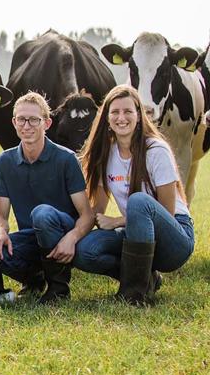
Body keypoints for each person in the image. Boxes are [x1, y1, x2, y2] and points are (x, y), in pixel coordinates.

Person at [77, 85, 194, 304]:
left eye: (128, 111)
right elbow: (97, 211)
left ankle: (134, 293)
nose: (121, 117)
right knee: (85, 251)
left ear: (139, 116)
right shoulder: (105, 155)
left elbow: (166, 211)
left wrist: (117, 221)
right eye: (115, 112)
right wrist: (70, 235)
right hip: (136, 236)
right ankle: (146, 277)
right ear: (107, 119)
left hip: (175, 237)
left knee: (139, 201)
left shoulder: (156, 150)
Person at [0, 92, 94, 303]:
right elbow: (1, 215)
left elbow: (87, 215)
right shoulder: (4, 161)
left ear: (47, 123)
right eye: (21, 119)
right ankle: (35, 278)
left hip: (63, 235)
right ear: (14, 122)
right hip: (32, 236)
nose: (27, 126)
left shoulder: (66, 159)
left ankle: (58, 288)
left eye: (34, 120)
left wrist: (71, 239)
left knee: (42, 214)